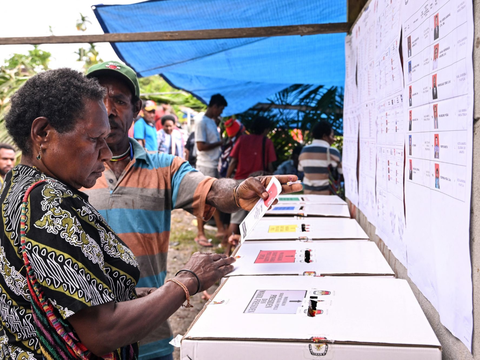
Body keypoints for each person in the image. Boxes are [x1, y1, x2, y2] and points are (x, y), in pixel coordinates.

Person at [0, 68, 238, 360]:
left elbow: (54, 292)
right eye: (94, 139)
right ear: (43, 134)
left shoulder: (19, 186)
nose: (105, 152)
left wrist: (123, 296)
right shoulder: (47, 202)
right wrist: (187, 280)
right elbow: (103, 333)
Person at [84, 61, 303, 359]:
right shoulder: (69, 173)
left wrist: (239, 191)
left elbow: (212, 190)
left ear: (135, 109)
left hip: (149, 332)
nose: (108, 109)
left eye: (120, 101)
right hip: (84, 339)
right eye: (98, 99)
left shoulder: (165, 166)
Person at [225, 116, 277, 253]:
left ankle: (227, 251)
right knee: (255, 217)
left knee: (235, 218)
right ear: (266, 129)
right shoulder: (267, 142)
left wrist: (227, 179)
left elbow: (233, 161)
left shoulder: (242, 139)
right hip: (257, 185)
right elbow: (271, 166)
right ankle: (250, 250)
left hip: (239, 181)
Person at [194, 94, 228, 246]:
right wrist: (220, 143)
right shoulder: (201, 121)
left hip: (213, 164)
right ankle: (200, 233)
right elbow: (200, 146)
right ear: (214, 106)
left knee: (215, 198)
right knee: (204, 199)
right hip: (205, 165)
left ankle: (220, 229)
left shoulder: (212, 121)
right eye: (220, 109)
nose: (220, 113)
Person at [298, 121, 342, 195]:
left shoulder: (304, 151)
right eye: (332, 136)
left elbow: (300, 169)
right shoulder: (333, 152)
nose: (333, 139)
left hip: (308, 195)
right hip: (328, 195)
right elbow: (342, 172)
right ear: (324, 136)